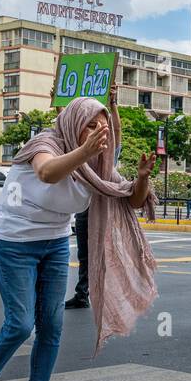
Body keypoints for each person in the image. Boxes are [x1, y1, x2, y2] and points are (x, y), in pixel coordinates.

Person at [0, 97, 158, 381]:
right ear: (73, 124)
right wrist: (85, 151)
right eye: (90, 126)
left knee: (51, 327)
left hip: (54, 243)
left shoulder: (99, 162)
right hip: (13, 241)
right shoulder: (45, 143)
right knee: (20, 325)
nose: (97, 134)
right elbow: (47, 172)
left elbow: (132, 200)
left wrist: (140, 179)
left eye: (101, 127)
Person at [66, 82, 123, 310]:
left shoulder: (109, 155)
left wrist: (113, 105)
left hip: (103, 210)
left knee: (103, 252)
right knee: (85, 253)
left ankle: (107, 292)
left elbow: (116, 130)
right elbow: (70, 132)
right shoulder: (82, 153)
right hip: (83, 209)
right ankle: (83, 292)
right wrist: (61, 108)